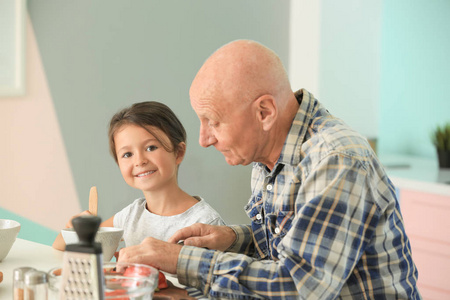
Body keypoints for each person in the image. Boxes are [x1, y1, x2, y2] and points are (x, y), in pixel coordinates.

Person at [118, 40, 422, 299]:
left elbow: (300, 286)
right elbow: (291, 244)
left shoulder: (336, 160)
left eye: (213, 121)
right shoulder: (268, 158)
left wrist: (182, 259)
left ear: (264, 112)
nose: (204, 139)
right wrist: (234, 239)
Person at [53, 101, 225, 250]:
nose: (139, 161)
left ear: (178, 153)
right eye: (127, 154)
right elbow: (60, 246)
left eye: (151, 148)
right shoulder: (130, 216)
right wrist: (76, 229)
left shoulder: (206, 222)